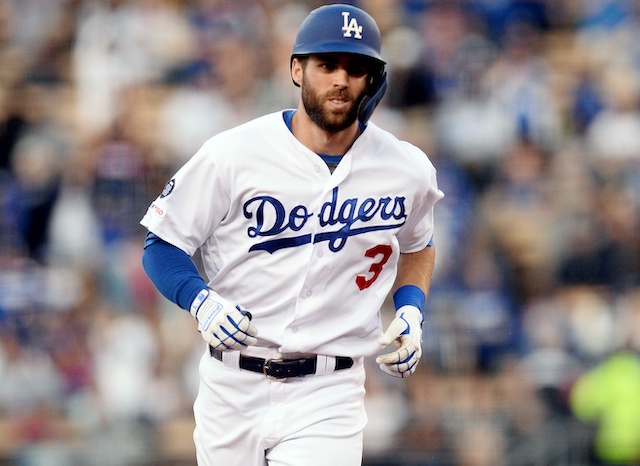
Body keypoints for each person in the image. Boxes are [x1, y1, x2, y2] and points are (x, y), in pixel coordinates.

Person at [140, 4, 444, 465]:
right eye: (327, 65)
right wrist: (200, 301)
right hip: (231, 386)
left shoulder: (405, 168)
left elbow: (418, 244)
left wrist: (411, 311)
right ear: (297, 69)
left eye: (355, 67)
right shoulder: (233, 154)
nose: (341, 79)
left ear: (374, 79)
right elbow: (161, 243)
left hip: (329, 390)